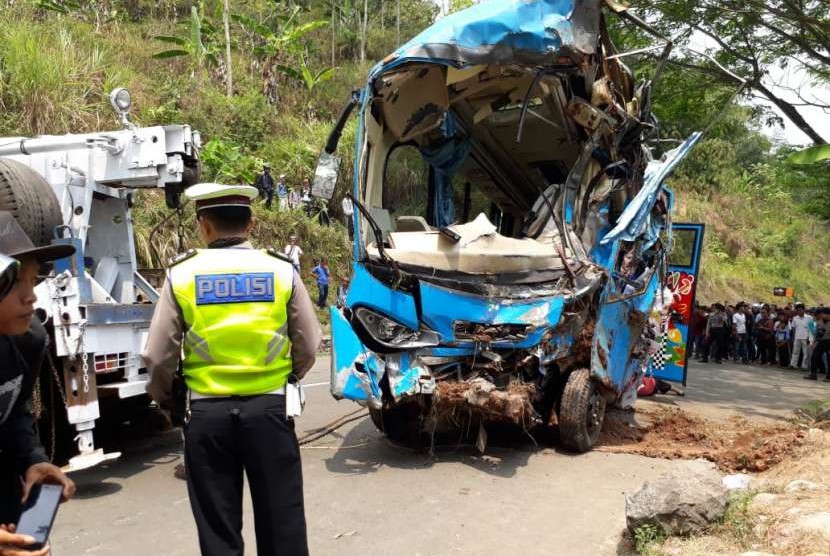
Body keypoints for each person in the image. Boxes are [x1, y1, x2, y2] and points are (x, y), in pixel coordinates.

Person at [143, 184, 321, 556]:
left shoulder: (182, 274)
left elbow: (159, 355)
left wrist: (166, 399)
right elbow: (309, 342)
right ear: (251, 224)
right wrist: (289, 377)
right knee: (283, 525)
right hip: (270, 413)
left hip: (207, 417)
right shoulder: (280, 270)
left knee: (218, 530)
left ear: (204, 225)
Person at [0, 212, 76, 554]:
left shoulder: (28, 340)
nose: (30, 296)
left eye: (33, 280)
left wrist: (33, 458)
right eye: (14, 282)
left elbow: (14, 412)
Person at [805, 309, 830, 381]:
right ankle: (813, 374)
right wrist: (814, 342)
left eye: (824, 314)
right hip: (821, 342)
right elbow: (817, 334)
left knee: (829, 359)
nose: (823, 316)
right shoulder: (819, 322)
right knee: (814, 356)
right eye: (822, 314)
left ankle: (828, 377)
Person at [789, 304, 813, 370]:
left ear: (803, 310)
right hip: (797, 337)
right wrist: (794, 336)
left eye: (800, 310)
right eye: (797, 310)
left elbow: (812, 329)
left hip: (806, 337)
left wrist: (810, 338)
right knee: (795, 351)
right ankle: (793, 365)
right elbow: (793, 328)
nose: (799, 311)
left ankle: (804, 366)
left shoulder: (809, 318)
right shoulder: (795, 318)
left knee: (806, 352)